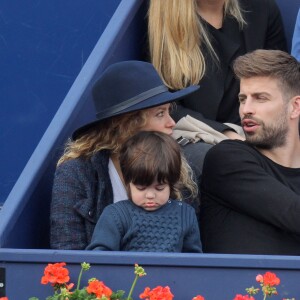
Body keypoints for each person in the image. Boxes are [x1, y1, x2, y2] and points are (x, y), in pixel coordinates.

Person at [50, 60, 200, 250]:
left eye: (169, 111)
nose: (172, 123)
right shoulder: (77, 173)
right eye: (160, 114)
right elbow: (67, 252)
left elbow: (191, 256)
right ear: (127, 124)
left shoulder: (180, 172)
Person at [148, 0, 287, 177]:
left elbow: (279, 86)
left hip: (260, 131)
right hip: (202, 137)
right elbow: (167, 107)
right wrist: (228, 135)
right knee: (220, 160)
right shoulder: (164, 20)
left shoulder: (260, 8)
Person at [200, 49, 300, 255]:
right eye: (242, 99)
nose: (246, 109)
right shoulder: (227, 159)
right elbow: (293, 213)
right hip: (239, 287)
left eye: (260, 98)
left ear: (295, 107)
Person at [86, 131, 202, 252]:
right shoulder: (116, 215)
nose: (150, 195)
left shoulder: (185, 214)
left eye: (159, 188)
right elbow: (99, 258)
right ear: (128, 182)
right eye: (141, 188)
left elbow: (193, 261)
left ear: (172, 183)